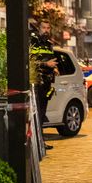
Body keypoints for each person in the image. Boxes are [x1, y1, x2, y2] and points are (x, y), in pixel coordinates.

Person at [30, 19, 58, 150]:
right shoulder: (32, 42)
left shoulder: (48, 44)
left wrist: (54, 69)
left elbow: (49, 60)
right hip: (36, 82)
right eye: (44, 28)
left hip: (47, 83)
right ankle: (35, 143)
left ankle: (41, 142)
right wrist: (45, 64)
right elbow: (29, 62)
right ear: (39, 28)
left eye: (48, 28)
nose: (46, 30)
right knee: (36, 114)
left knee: (42, 114)